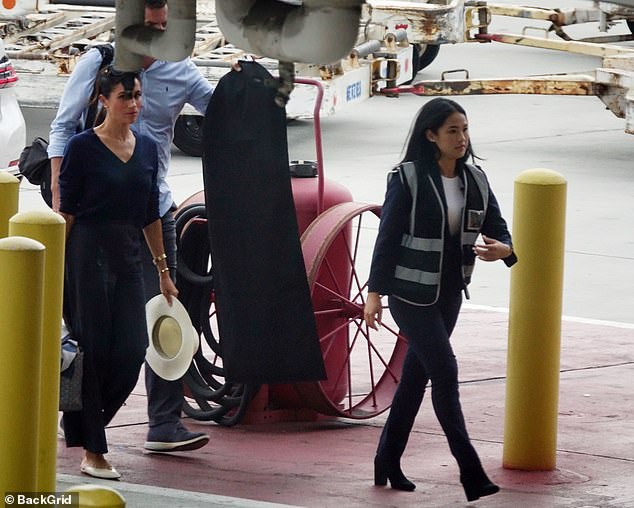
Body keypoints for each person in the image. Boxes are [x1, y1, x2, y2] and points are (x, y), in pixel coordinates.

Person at [49, 0, 214, 452]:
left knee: (163, 313)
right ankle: (80, 416)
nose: (161, 33)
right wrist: (64, 211)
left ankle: (164, 423)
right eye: (151, 26)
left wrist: (251, 86)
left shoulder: (181, 68)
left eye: (165, 25)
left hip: (152, 209)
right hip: (94, 219)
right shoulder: (98, 64)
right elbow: (63, 130)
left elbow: (217, 110)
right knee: (91, 328)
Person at [363, 98, 517, 502]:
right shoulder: (408, 178)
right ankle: (472, 473)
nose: (462, 138)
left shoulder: (476, 180)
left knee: (415, 379)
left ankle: (387, 460)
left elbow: (499, 229)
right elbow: (388, 238)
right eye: (452, 130)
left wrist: (505, 250)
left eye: (464, 129)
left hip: (449, 294)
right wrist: (374, 294)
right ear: (431, 135)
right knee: (445, 372)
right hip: (409, 294)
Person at [59, 66, 179, 479]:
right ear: (103, 100)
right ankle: (94, 451)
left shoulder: (147, 148)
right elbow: (68, 213)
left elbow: (150, 214)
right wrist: (57, 269)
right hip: (86, 252)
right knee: (93, 351)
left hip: (128, 253)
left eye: (138, 96)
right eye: (125, 96)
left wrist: (163, 271)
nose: (134, 104)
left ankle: (79, 422)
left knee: (131, 349)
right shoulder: (82, 147)